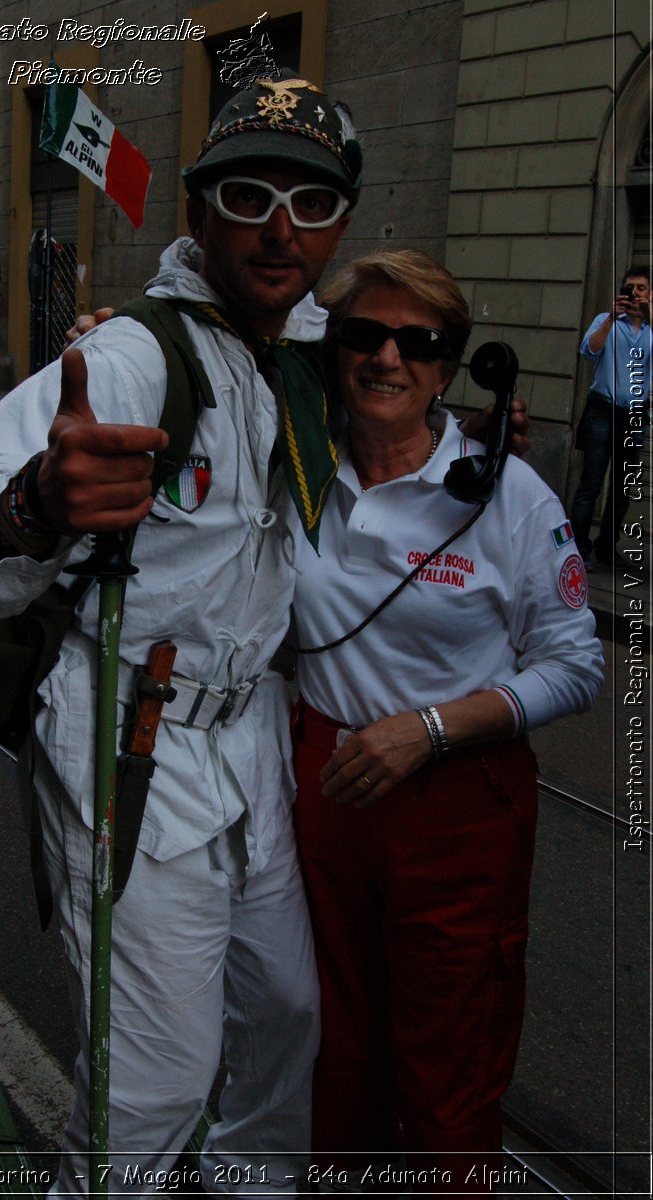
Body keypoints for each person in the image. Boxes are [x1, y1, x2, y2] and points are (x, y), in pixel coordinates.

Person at [0, 78, 363, 1196]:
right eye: (247, 195)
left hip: (251, 739)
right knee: (153, 1083)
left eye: (310, 204)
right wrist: (36, 506)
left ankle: (240, 1185)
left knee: (285, 1019)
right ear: (200, 210)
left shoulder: (300, 364)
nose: (277, 229)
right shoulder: (132, 355)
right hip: (132, 744)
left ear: (340, 223)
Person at [287, 249, 604, 1193]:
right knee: (331, 1045)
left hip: (456, 803)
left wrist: (429, 728)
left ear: (451, 363)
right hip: (321, 788)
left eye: (418, 341)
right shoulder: (297, 466)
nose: (389, 358)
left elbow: (575, 665)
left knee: (445, 1063)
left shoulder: (507, 495)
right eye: (366, 334)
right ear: (335, 348)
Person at [569, 267, 651, 569]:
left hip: (634, 417)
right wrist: (611, 319)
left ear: (650, 294)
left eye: (641, 288)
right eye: (630, 287)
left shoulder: (651, 330)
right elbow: (588, 351)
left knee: (623, 489)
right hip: (602, 411)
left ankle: (606, 548)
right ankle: (578, 548)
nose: (634, 293)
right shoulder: (606, 321)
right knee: (590, 483)